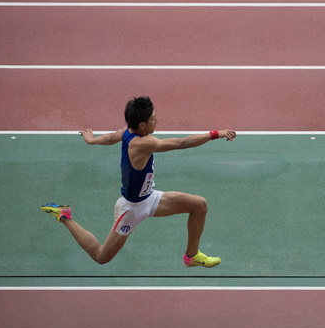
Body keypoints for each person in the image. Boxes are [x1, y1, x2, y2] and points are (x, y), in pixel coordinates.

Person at [41, 96, 236, 267]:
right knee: (100, 257)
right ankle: (65, 216)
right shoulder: (143, 144)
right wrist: (214, 134)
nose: (156, 120)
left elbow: (111, 138)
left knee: (199, 205)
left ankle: (191, 256)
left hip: (150, 199)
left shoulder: (127, 132)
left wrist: (92, 140)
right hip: (131, 209)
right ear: (142, 125)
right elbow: (180, 143)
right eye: (152, 119)